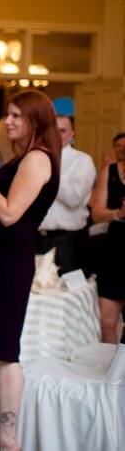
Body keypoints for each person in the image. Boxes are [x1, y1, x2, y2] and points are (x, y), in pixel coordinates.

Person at [0, 90, 61, 451]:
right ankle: (5, 436)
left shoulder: (38, 159)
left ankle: (9, 441)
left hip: (10, 261)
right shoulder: (26, 157)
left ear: (36, 120)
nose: (8, 122)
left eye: (16, 116)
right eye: (8, 114)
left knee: (6, 352)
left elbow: (8, 213)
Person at [37, 115, 96, 274]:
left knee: (68, 294)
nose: (56, 136)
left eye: (62, 131)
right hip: (37, 239)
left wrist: (48, 172)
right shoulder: (36, 159)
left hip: (68, 242)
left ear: (72, 134)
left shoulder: (82, 160)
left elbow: (73, 199)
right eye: (52, 131)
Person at [90, 132, 125, 343]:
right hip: (115, 249)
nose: (122, 149)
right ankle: (110, 373)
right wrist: (118, 214)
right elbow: (96, 213)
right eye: (118, 145)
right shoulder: (108, 172)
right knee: (107, 322)